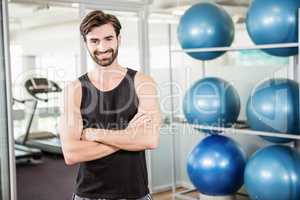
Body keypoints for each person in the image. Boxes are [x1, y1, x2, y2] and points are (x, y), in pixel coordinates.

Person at [59, 10, 161, 200]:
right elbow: (71, 153)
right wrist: (129, 136)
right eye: (94, 41)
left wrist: (95, 134)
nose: (103, 47)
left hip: (135, 193)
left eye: (108, 38)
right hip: (88, 194)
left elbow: (150, 139)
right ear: (85, 43)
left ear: (118, 39)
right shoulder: (74, 90)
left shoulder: (142, 82)